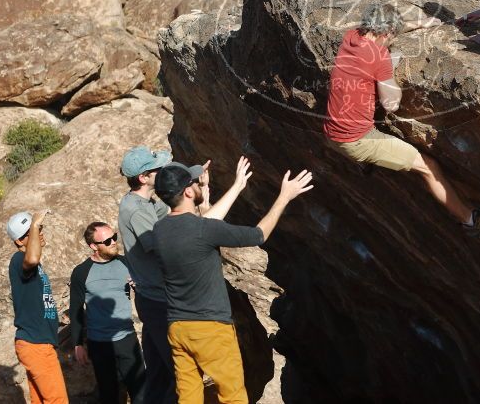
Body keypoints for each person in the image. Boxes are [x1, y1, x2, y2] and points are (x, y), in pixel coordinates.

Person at [324, 3, 480, 232]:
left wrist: (420, 23)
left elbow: (387, 27)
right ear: (386, 33)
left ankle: (365, 162)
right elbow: (391, 105)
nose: (391, 42)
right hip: (357, 140)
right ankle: (470, 220)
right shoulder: (379, 56)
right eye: (391, 37)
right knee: (429, 167)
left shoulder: (352, 36)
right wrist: (389, 72)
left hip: (331, 131)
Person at [152, 158, 312, 404]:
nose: (198, 184)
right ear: (187, 191)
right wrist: (284, 197)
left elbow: (205, 224)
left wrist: (236, 186)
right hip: (210, 329)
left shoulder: (160, 230)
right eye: (194, 182)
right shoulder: (203, 230)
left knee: (189, 397)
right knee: (233, 396)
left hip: (178, 327)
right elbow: (258, 235)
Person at [117, 146, 178, 404]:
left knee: (158, 371)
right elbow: (158, 246)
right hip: (157, 300)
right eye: (156, 169)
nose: (161, 171)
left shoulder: (146, 202)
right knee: (179, 369)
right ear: (143, 177)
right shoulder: (137, 209)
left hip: (149, 296)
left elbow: (175, 214)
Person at [69, 222, 146, 404]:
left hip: (127, 338)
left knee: (141, 391)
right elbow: (76, 308)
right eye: (107, 240)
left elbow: (146, 293)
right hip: (99, 344)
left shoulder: (126, 263)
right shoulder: (81, 272)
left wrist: (140, 288)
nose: (113, 242)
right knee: (109, 394)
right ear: (93, 246)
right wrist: (78, 343)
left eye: (114, 237)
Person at [6, 210, 69, 404]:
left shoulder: (33, 267)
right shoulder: (19, 260)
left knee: (41, 400)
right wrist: (34, 223)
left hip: (36, 343)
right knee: (57, 400)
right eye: (30, 233)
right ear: (19, 241)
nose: (38, 233)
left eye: (39, 229)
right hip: (36, 344)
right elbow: (32, 258)